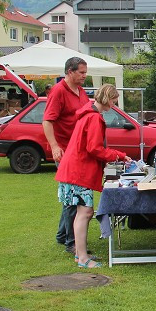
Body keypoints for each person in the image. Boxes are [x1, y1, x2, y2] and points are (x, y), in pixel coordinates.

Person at [55, 84, 132, 268]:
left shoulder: (87, 115)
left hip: (72, 169)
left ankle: (80, 254)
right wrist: (118, 155)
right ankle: (82, 258)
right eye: (114, 100)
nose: (115, 104)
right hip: (78, 171)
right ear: (108, 98)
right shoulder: (94, 119)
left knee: (81, 213)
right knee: (84, 212)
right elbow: (94, 148)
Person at [43, 57, 90, 255]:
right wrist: (54, 146)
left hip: (78, 150)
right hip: (65, 151)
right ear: (69, 72)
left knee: (70, 196)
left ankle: (63, 236)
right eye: (81, 72)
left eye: (85, 72)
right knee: (73, 196)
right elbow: (47, 121)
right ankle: (72, 242)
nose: (84, 76)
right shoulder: (59, 91)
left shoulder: (81, 92)